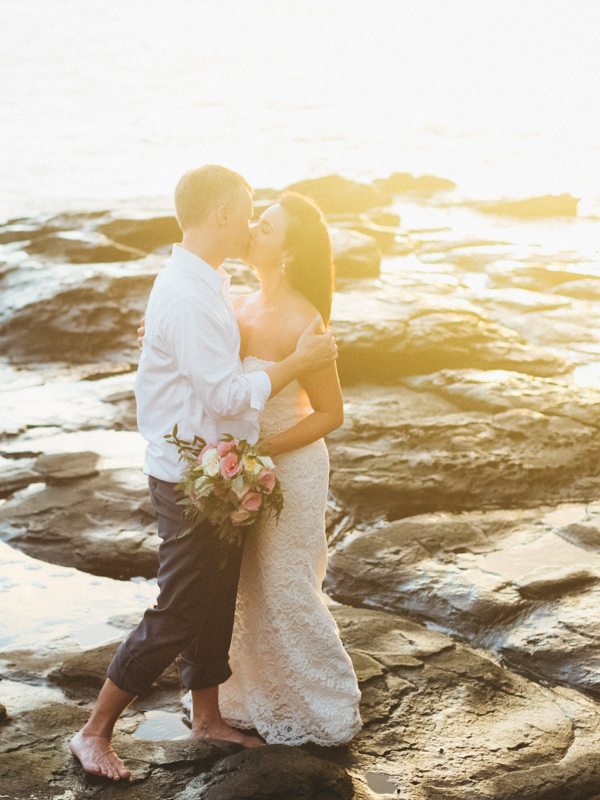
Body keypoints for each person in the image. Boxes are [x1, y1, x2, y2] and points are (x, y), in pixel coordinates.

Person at [69, 166, 338, 780]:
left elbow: (204, 357)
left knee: (214, 600)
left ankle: (208, 716)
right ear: (222, 215)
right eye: (246, 211)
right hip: (190, 474)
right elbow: (221, 393)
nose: (249, 225)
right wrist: (294, 363)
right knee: (182, 607)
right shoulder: (190, 293)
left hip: (216, 470)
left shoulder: (205, 282)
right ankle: (94, 732)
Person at [221, 191, 362, 745]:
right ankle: (254, 699)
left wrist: (264, 451)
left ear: (287, 252)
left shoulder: (307, 321)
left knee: (286, 585)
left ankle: (326, 707)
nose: (253, 228)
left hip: (293, 467)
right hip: (242, 466)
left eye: (267, 226)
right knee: (246, 584)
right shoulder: (236, 306)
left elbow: (331, 413)